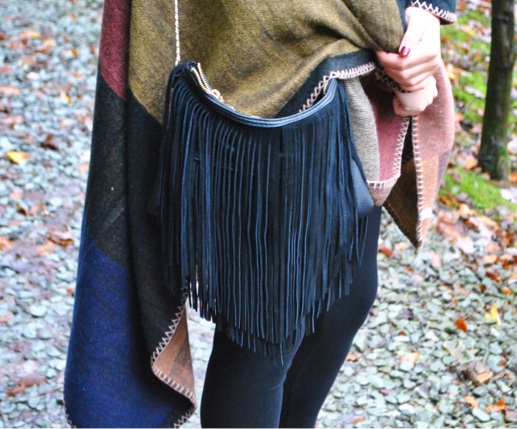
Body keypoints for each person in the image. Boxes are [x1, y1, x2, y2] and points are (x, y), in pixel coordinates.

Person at [64, 0, 456, 427]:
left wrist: (425, 13)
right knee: (269, 329)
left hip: (358, 53)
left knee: (345, 302)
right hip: (261, 44)